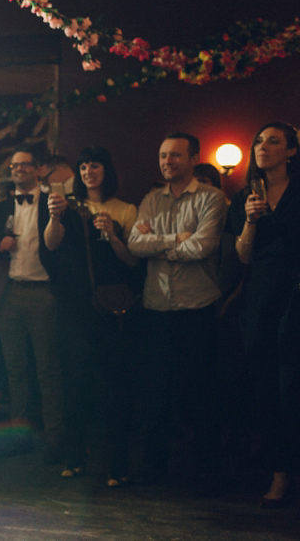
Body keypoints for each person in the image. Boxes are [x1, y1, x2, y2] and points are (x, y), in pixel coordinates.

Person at [127, 133, 226, 493]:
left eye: (176, 155)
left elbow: (203, 246)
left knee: (201, 395)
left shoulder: (211, 198)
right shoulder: (151, 199)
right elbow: (136, 245)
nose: (168, 161)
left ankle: (205, 473)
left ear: (194, 158)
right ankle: (153, 468)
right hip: (157, 307)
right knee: (155, 394)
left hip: (196, 307)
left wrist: (160, 244)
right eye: (163, 155)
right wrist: (174, 240)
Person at [43, 146, 139, 483]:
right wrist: (55, 216)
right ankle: (75, 455)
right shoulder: (67, 207)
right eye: (82, 166)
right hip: (74, 307)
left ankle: (117, 462)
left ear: (106, 170)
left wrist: (112, 233)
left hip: (111, 308)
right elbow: (51, 246)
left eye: (94, 165)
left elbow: (132, 261)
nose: (87, 171)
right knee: (74, 381)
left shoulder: (126, 209)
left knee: (114, 384)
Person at [226, 122, 300, 507]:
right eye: (258, 141)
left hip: (296, 293)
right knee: (266, 387)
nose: (262, 147)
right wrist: (252, 221)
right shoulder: (244, 197)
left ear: (291, 151)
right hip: (261, 296)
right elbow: (242, 256)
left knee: (294, 387)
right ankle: (278, 473)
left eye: (274, 141)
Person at [0, 147, 64, 463]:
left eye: (24, 165)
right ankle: (20, 435)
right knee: (15, 368)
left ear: (38, 169)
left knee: (47, 368)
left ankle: (55, 438)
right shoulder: (1, 207)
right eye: (14, 165)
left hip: (44, 292)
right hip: (9, 294)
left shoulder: (53, 204)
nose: (18, 169)